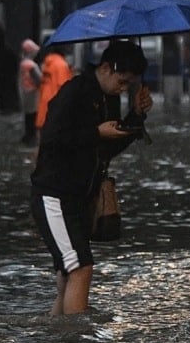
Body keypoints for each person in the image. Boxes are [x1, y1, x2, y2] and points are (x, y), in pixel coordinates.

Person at [30, 41, 153, 316]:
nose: (123, 88)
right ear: (107, 67)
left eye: (129, 85)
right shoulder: (75, 92)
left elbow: (107, 148)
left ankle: (58, 341)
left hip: (79, 198)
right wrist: (96, 133)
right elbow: (52, 140)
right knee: (80, 267)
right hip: (54, 196)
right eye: (122, 82)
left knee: (68, 275)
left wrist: (136, 116)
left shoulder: (109, 97)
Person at [36, 44, 73, 138]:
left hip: (45, 100)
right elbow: (65, 87)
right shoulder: (61, 65)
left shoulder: (49, 62)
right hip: (55, 104)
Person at [17, 39, 42, 145]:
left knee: (27, 115)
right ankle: (32, 137)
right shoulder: (32, 65)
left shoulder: (23, 63)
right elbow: (39, 79)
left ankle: (27, 135)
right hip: (33, 92)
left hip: (24, 91)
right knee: (33, 115)